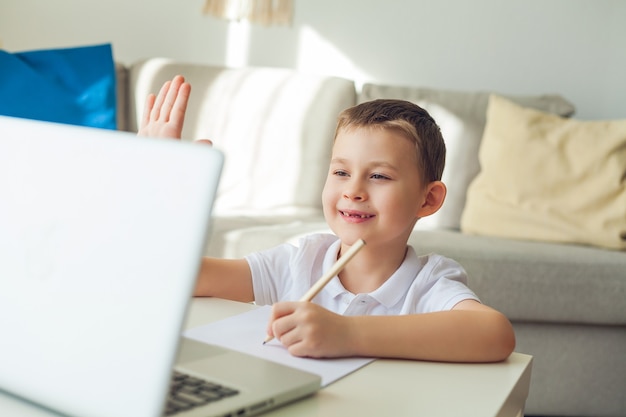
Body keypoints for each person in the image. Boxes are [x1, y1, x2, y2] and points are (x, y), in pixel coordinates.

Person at [139, 75, 516, 363]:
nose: (353, 190)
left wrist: (348, 334)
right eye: (340, 172)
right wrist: (158, 186)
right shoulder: (300, 260)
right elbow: (181, 275)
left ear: (428, 199)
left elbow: (495, 333)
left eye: (379, 176)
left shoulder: (429, 282)